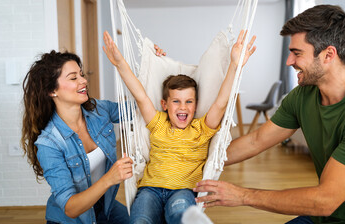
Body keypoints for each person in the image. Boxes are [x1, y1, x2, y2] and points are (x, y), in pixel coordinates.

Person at [194, 4, 345, 224]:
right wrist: (187, 158)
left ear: (328, 54)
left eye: (297, 53)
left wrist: (243, 195)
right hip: (321, 217)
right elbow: (256, 141)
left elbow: (325, 199)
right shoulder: (302, 96)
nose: (289, 62)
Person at [103, 30, 256, 224]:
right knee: (140, 220)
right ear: (165, 105)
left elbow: (220, 103)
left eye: (189, 101)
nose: (183, 107)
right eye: (176, 101)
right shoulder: (158, 123)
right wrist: (120, 63)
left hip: (184, 190)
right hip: (150, 189)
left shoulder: (201, 128)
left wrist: (234, 65)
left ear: (196, 105)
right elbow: (140, 96)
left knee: (180, 216)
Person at [21, 46, 165, 224]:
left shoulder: (98, 110)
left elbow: (142, 109)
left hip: (105, 206)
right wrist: (109, 178)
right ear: (52, 91)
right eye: (74, 78)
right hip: (71, 219)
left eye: (81, 75)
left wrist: (156, 69)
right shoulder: (49, 143)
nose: (83, 81)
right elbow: (70, 207)